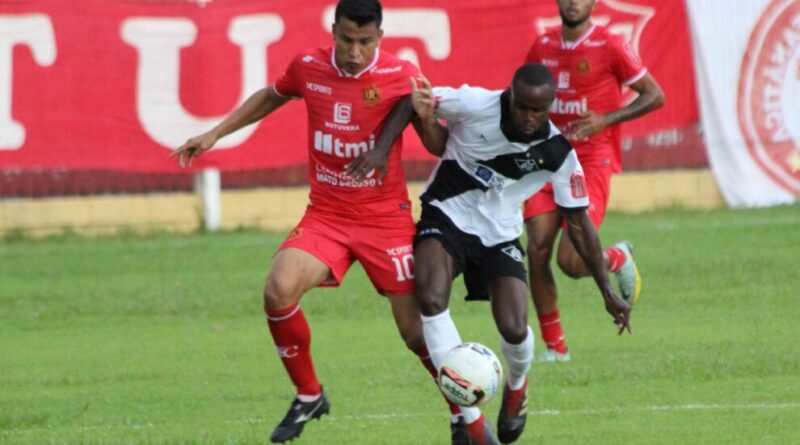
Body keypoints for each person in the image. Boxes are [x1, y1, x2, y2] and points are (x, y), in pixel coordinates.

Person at [170, 1, 468, 443]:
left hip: (385, 220)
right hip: (326, 215)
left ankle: (461, 414)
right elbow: (272, 95)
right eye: (347, 39)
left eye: (365, 42)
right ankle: (309, 394)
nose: (354, 51)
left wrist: (425, 114)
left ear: (379, 38)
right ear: (334, 31)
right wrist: (215, 133)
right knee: (278, 289)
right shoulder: (308, 66)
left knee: (414, 332)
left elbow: (438, 144)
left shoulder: (400, 74)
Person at [398, 65, 632, 445]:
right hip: (446, 214)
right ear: (508, 96)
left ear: (549, 107)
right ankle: (472, 423)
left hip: (500, 233)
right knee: (431, 298)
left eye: (537, 110)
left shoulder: (557, 153)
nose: (528, 117)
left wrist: (606, 289)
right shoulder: (475, 103)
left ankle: (518, 384)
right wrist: (417, 121)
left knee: (513, 327)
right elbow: (416, 103)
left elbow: (578, 224)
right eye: (521, 106)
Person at [523, 0, 665, 362]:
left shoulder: (611, 45)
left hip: (589, 161)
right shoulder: (543, 46)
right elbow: (523, 100)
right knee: (537, 249)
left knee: (571, 262)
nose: (573, 2)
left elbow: (655, 95)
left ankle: (616, 256)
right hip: (547, 159)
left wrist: (606, 119)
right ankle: (556, 347)